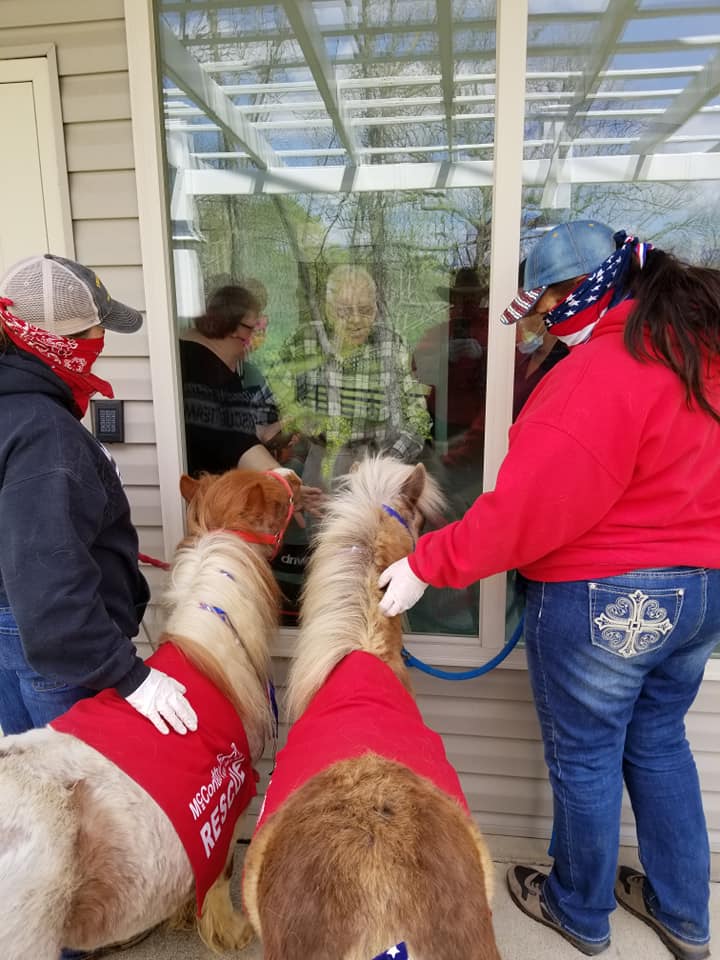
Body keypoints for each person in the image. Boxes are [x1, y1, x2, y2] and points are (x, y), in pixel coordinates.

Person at [377, 220, 720, 960]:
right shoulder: (699, 353)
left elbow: (528, 511)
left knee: (588, 756)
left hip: (609, 597)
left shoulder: (602, 371)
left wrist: (427, 564)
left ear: (578, 292)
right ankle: (684, 911)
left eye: (546, 306)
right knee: (659, 742)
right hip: (702, 593)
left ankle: (579, 910)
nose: (542, 325)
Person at [0, 254, 197, 741]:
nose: (100, 344)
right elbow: (49, 579)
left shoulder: (18, 406)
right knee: (73, 799)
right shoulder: (45, 433)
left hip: (18, 636)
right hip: (59, 657)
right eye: (96, 331)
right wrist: (129, 676)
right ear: (60, 342)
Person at [278, 264, 432, 486]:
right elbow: (277, 407)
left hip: (378, 463)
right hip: (323, 463)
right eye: (345, 311)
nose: (357, 320)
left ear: (376, 309)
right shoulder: (305, 341)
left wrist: (386, 464)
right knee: (323, 520)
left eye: (366, 309)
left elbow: (417, 418)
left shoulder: (391, 343)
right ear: (329, 310)